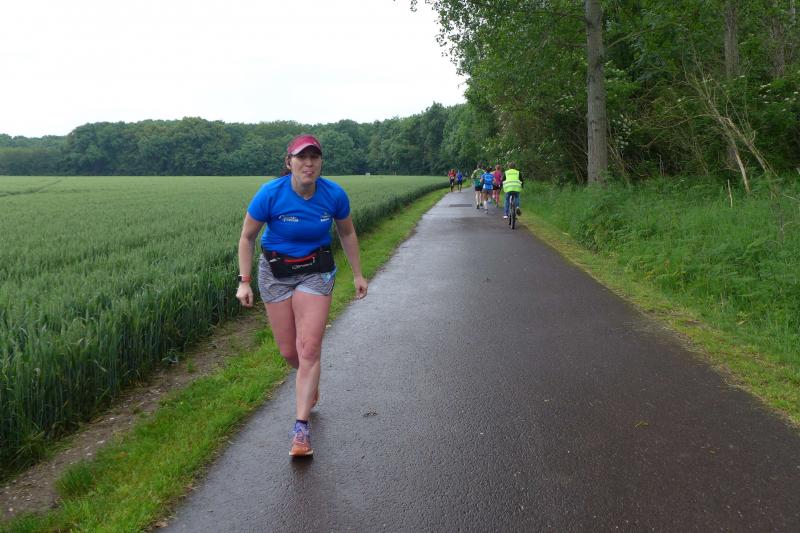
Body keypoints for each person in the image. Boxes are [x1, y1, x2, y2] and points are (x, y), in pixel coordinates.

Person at [236, 134, 368, 457]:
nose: (309, 164)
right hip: (276, 273)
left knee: (308, 348)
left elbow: (347, 232)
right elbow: (247, 237)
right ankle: (310, 380)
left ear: (321, 162)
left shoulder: (334, 194)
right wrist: (244, 281)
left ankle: (301, 430)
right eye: (301, 158)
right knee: (289, 352)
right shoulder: (270, 194)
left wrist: (358, 274)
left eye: (314, 157)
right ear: (289, 162)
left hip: (315, 272)